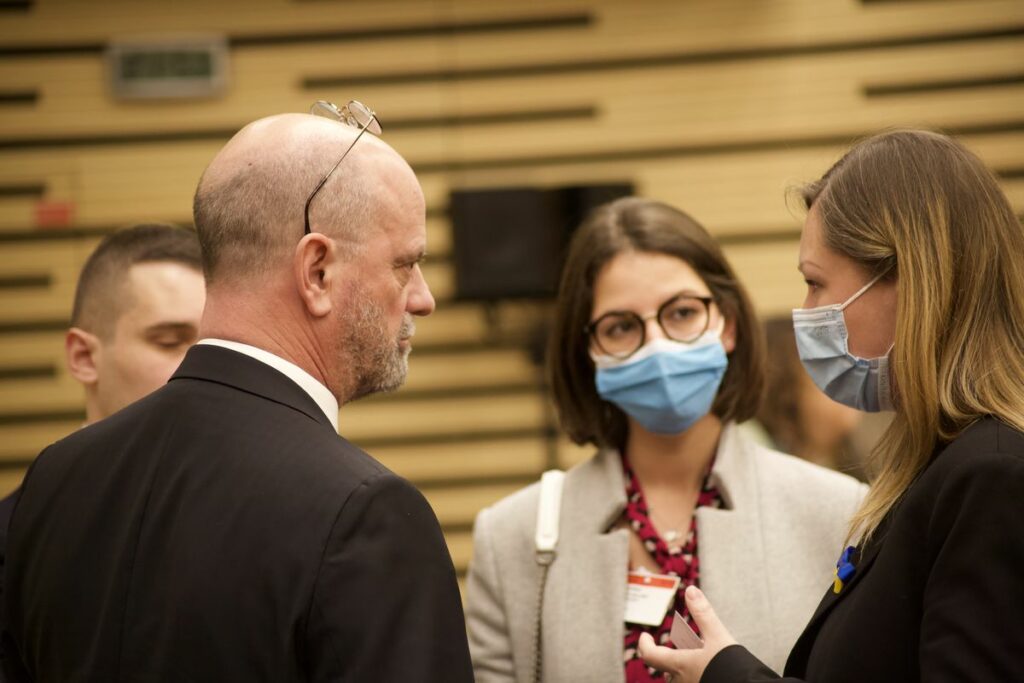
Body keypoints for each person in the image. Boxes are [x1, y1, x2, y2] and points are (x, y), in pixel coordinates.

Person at [1, 105, 473, 681]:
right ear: (317, 271)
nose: (422, 298)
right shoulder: (366, 512)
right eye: (406, 264)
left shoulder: (54, 481)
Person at [638, 130, 1024, 682]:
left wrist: (730, 676)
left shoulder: (992, 476)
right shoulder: (941, 466)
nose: (807, 311)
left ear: (908, 280)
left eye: (816, 283)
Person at [465, 197, 866, 682]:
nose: (657, 345)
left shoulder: (840, 514)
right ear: (587, 351)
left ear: (729, 324)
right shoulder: (513, 538)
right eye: (621, 327)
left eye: (680, 313)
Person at [0, 223, 205, 600]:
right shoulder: (13, 544)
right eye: (170, 341)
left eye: (214, 346)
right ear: (84, 357)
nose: (206, 366)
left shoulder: (266, 526)